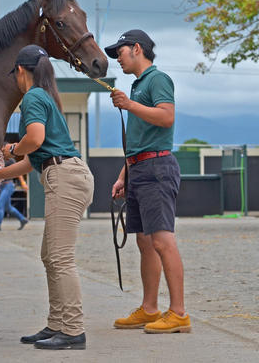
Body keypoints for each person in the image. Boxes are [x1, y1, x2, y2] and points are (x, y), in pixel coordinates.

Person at [0, 45, 93, 350]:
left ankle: (73, 330)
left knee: (60, 257)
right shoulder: (46, 97)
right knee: (50, 256)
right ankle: (58, 324)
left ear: (20, 71)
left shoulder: (32, 97)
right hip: (63, 172)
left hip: (64, 177)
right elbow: (34, 159)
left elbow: (33, 141)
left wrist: (10, 149)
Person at [104, 30, 190, 334]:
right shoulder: (138, 85)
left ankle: (178, 312)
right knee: (144, 241)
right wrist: (123, 175)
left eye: (120, 52)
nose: (118, 58)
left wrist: (129, 106)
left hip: (157, 167)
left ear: (137, 48)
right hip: (139, 168)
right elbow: (139, 138)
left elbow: (166, 118)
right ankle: (150, 308)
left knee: (162, 240)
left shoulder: (157, 79)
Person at [0, 145, 29, 231]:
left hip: (8, 185)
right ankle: (22, 219)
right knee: (8, 207)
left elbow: (18, 172)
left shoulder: (11, 160)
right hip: (2, 186)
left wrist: (23, 183)